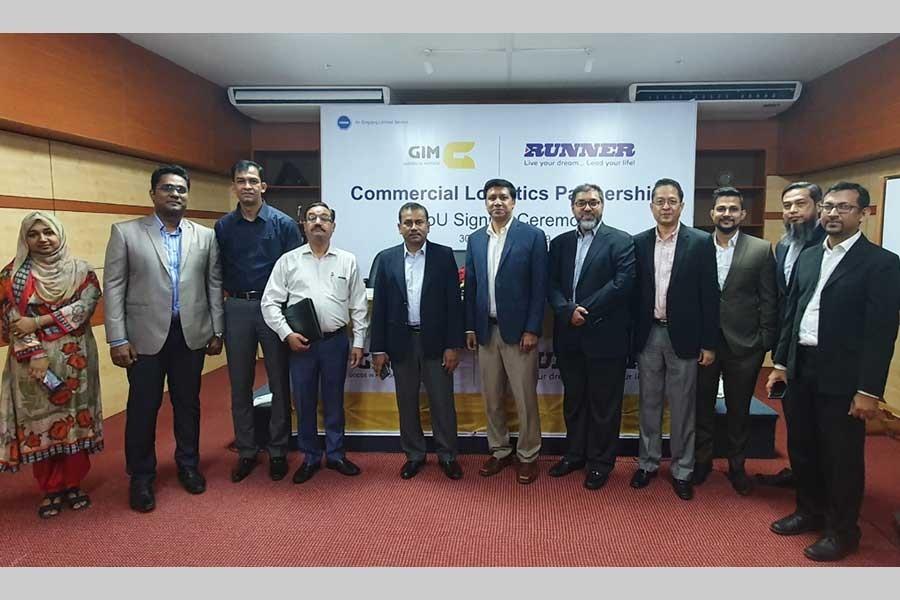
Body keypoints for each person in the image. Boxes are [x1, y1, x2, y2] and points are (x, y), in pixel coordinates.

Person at [767, 181, 900, 562]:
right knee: (803, 446)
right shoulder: (809, 255)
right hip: (801, 366)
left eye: (843, 208)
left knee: (841, 456)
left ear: (864, 214)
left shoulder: (881, 263)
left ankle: (843, 532)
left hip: (843, 375)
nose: (832, 214)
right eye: (828, 207)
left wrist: (869, 390)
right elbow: (792, 313)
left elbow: (881, 333)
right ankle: (809, 511)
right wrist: (780, 363)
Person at [103, 164, 224, 513]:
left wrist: (217, 330)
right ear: (153, 193)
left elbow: (213, 284)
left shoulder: (205, 236)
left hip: (191, 335)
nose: (175, 194)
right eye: (168, 188)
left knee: (188, 404)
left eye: (181, 189)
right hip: (143, 337)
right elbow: (113, 287)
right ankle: (141, 476)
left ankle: (188, 465)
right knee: (143, 407)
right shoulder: (126, 233)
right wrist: (116, 338)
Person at [0, 212, 104, 518]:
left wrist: (39, 320)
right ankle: (50, 489)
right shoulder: (12, 277)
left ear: (60, 235)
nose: (43, 239)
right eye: (34, 234)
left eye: (49, 232)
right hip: (31, 362)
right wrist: (35, 353)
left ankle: (73, 484)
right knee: (41, 421)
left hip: (76, 357)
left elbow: (85, 307)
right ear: (25, 239)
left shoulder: (81, 270)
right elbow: (11, 321)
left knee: (74, 417)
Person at [261, 201, 368, 484]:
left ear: (333, 225)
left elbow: (358, 305)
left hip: (335, 342)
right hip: (301, 344)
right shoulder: (288, 261)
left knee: (334, 401)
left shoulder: (348, 260)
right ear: (304, 226)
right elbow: (269, 302)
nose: (318, 222)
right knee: (305, 402)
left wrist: (358, 342)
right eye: (312, 218)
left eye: (324, 218)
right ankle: (310, 457)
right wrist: (286, 334)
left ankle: (335, 454)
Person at [630, 177, 719, 501]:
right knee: (648, 404)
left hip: (685, 338)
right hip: (649, 334)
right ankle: (648, 464)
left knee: (683, 408)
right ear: (651, 206)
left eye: (672, 201)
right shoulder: (638, 243)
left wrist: (709, 343)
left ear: (682, 205)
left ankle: (682, 469)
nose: (665, 206)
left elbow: (710, 296)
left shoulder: (700, 242)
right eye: (659, 201)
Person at [215, 160, 301, 483]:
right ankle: (247, 450)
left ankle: (278, 450)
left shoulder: (283, 224)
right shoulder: (223, 227)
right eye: (241, 181)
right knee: (240, 384)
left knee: (279, 382)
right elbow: (217, 272)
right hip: (237, 306)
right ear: (234, 187)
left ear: (263, 186)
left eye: (253, 181)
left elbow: (297, 273)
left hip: (274, 308)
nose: (247, 186)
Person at [547, 183, 635, 490]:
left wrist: (585, 310)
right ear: (571, 207)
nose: (588, 208)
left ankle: (600, 462)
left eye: (594, 202)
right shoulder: (558, 244)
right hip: (569, 336)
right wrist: (565, 309)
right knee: (574, 401)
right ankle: (575, 454)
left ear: (603, 206)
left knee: (604, 404)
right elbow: (551, 284)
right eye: (582, 202)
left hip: (605, 336)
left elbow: (622, 284)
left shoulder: (621, 241)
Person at [370, 202, 465, 480]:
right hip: (401, 343)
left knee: (442, 402)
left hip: (436, 342)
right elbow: (381, 308)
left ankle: (447, 455)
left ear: (428, 225)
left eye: (419, 222)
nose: (414, 227)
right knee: (407, 402)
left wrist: (453, 345)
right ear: (399, 227)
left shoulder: (444, 256)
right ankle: (414, 455)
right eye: (408, 223)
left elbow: (453, 305)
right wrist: (378, 348)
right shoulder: (386, 259)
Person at [464, 178, 548, 485]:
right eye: (492, 198)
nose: (497, 202)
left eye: (503, 197)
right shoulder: (475, 239)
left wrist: (532, 328)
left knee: (525, 398)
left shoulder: (533, 236)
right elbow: (471, 286)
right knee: (492, 398)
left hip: (519, 335)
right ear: (485, 203)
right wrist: (470, 326)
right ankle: (499, 450)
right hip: (486, 331)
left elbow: (540, 287)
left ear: (513, 202)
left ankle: (527, 455)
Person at [694, 187, 777, 495]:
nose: (726, 213)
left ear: (743, 214)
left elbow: (769, 299)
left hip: (745, 346)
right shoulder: (698, 246)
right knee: (701, 407)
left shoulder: (760, 248)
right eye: (721, 208)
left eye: (733, 209)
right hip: (705, 344)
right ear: (711, 213)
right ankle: (701, 463)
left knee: (738, 409)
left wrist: (765, 340)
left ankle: (737, 466)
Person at [757, 182, 826, 488]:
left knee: (822, 427)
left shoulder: (827, 246)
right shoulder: (784, 245)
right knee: (796, 420)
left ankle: (822, 487)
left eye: (801, 204)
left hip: (821, 351)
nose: (793, 212)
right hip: (791, 348)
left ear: (819, 207)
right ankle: (801, 476)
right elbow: (782, 300)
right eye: (787, 206)